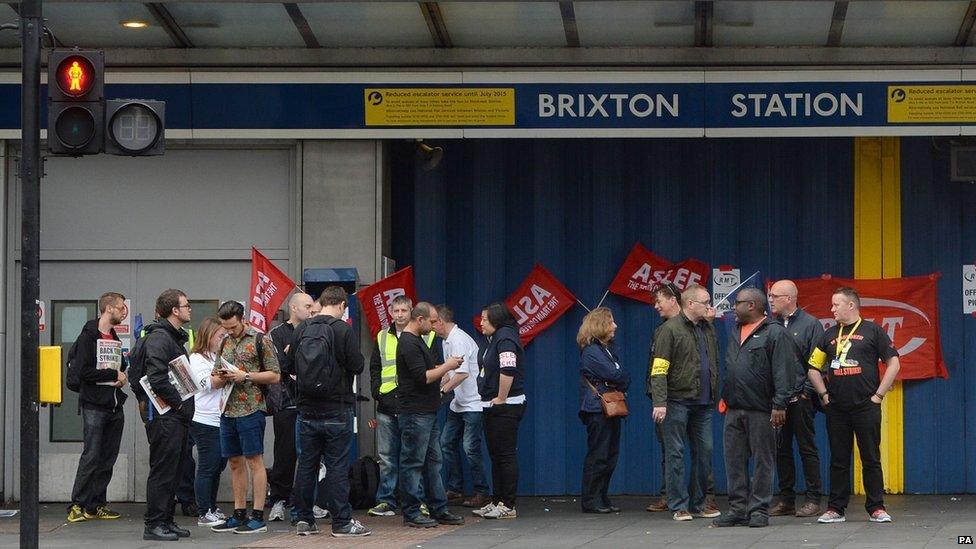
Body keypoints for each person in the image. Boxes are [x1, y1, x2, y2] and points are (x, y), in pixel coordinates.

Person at [807, 287, 900, 524]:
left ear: (851, 305)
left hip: (865, 406)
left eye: (836, 304)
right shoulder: (828, 335)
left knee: (870, 457)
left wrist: (879, 395)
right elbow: (813, 368)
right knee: (838, 459)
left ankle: (876, 507)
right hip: (836, 408)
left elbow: (894, 363)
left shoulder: (873, 331)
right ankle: (836, 508)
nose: (832, 309)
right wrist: (824, 394)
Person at [286, 286, 371, 537]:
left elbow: (288, 366)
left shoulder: (302, 329)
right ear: (342, 305)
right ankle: (342, 522)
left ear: (321, 303)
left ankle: (304, 519)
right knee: (336, 466)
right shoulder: (342, 329)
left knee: (306, 466)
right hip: (336, 410)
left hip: (306, 411)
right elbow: (357, 365)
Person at [713, 288, 797, 528]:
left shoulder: (775, 333)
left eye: (736, 303)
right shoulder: (734, 331)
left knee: (763, 461)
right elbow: (731, 368)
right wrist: (725, 396)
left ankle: (759, 509)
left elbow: (784, 372)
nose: (733, 308)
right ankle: (738, 509)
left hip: (762, 410)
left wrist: (779, 404)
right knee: (734, 461)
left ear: (751, 305)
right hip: (733, 409)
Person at [649, 284, 719, 521]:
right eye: (705, 302)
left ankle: (699, 503)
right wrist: (660, 402)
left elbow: (713, 361)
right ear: (690, 304)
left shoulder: (708, 329)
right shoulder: (669, 329)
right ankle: (678, 505)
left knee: (705, 451)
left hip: (704, 402)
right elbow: (659, 368)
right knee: (675, 452)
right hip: (677, 400)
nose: (710, 306)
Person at [210, 301, 281, 535]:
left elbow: (275, 375)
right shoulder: (224, 342)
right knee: (234, 462)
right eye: (225, 327)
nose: (229, 331)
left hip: (252, 407)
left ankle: (258, 514)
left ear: (243, 319)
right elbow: (216, 374)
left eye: (232, 327)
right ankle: (239, 512)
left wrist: (246, 376)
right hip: (227, 408)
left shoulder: (261, 340)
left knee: (254, 460)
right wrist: (220, 376)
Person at [396, 302, 465, 528]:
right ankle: (412, 512)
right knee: (413, 463)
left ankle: (438, 508)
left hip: (426, 411)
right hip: (415, 413)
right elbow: (423, 377)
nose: (435, 325)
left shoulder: (416, 341)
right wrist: (448, 365)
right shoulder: (408, 343)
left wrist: (444, 367)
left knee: (433, 462)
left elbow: (425, 370)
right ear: (420, 320)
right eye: (432, 321)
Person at [367, 295, 435, 518]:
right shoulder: (381, 336)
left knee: (415, 456)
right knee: (387, 456)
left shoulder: (428, 335)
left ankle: (418, 501)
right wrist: (376, 391)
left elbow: (432, 367)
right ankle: (386, 500)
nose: (399, 315)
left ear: (411, 312)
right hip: (387, 402)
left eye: (403, 311)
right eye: (395, 311)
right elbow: (375, 367)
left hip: (413, 403)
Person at [66, 292, 129, 523]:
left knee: (107, 457)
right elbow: (83, 372)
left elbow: (120, 366)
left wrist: (122, 377)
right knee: (91, 455)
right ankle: (77, 504)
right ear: (109, 308)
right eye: (121, 307)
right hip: (94, 404)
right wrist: (114, 373)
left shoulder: (114, 338)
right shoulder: (88, 337)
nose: (124, 311)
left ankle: (96, 504)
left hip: (114, 403)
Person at [768, 279, 825, 518]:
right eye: (769, 296)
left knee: (806, 448)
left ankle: (813, 499)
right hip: (777, 402)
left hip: (801, 399)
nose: (770, 300)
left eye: (774, 296)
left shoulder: (812, 325)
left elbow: (818, 362)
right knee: (781, 449)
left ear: (789, 299)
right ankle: (786, 500)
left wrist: (806, 393)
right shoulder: (769, 325)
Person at [141, 289, 194, 541]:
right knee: (163, 470)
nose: (189, 309)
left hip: (174, 416)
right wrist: (180, 405)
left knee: (174, 469)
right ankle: (154, 524)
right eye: (186, 305)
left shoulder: (171, 337)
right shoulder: (160, 338)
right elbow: (157, 378)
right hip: (166, 417)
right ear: (175, 310)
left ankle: (166, 519)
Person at [433, 304, 490, 509]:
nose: (431, 327)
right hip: (459, 403)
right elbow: (450, 370)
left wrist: (442, 391)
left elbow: (462, 373)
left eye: (433, 322)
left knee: (470, 448)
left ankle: (482, 492)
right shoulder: (447, 341)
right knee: (447, 442)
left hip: (473, 402)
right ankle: (455, 488)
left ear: (441, 321)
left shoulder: (458, 340)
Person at [474, 302, 528, 520]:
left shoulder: (505, 338)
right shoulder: (493, 339)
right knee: (496, 455)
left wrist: (502, 398)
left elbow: (508, 368)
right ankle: (496, 500)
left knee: (505, 455)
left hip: (506, 405)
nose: (481, 323)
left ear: (496, 320)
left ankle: (508, 504)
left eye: (485, 319)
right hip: (491, 404)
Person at [267, 292, 315, 522]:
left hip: (311, 400)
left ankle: (309, 502)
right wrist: (295, 355)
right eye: (307, 306)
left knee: (311, 453)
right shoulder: (277, 334)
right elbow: (280, 366)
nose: (311, 310)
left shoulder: (315, 330)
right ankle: (278, 500)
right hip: (286, 402)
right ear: (294, 308)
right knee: (284, 452)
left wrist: (293, 354)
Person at [577, 307, 630, 514]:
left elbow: (622, 376)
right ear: (599, 326)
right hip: (597, 408)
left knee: (610, 455)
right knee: (598, 454)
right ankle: (591, 499)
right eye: (611, 322)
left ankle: (602, 495)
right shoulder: (591, 351)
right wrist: (617, 374)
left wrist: (618, 374)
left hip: (611, 407)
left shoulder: (607, 349)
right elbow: (616, 375)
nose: (615, 325)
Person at [188, 317, 230, 527]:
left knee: (218, 465)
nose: (223, 340)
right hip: (204, 418)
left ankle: (211, 506)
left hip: (219, 417)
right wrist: (229, 375)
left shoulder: (217, 356)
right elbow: (207, 383)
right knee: (208, 465)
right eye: (220, 336)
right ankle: (204, 510)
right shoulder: (197, 358)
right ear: (208, 336)